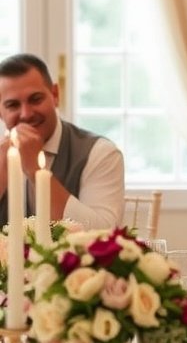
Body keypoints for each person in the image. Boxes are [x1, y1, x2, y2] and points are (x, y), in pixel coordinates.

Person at [0, 53, 124, 230]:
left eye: (36, 99)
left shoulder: (100, 152)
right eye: (12, 105)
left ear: (55, 95)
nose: (26, 114)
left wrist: (35, 169)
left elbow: (103, 233)